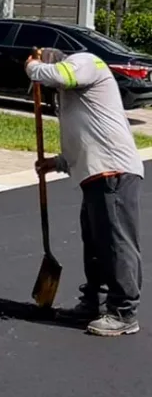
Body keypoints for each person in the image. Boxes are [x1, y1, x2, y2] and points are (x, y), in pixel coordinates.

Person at [26, 47, 144, 336]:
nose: (49, 89)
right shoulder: (73, 97)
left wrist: (32, 66)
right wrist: (58, 162)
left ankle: (124, 311)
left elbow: (59, 75)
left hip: (114, 172)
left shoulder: (85, 62)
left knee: (116, 244)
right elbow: (86, 138)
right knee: (95, 246)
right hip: (94, 174)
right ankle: (94, 302)